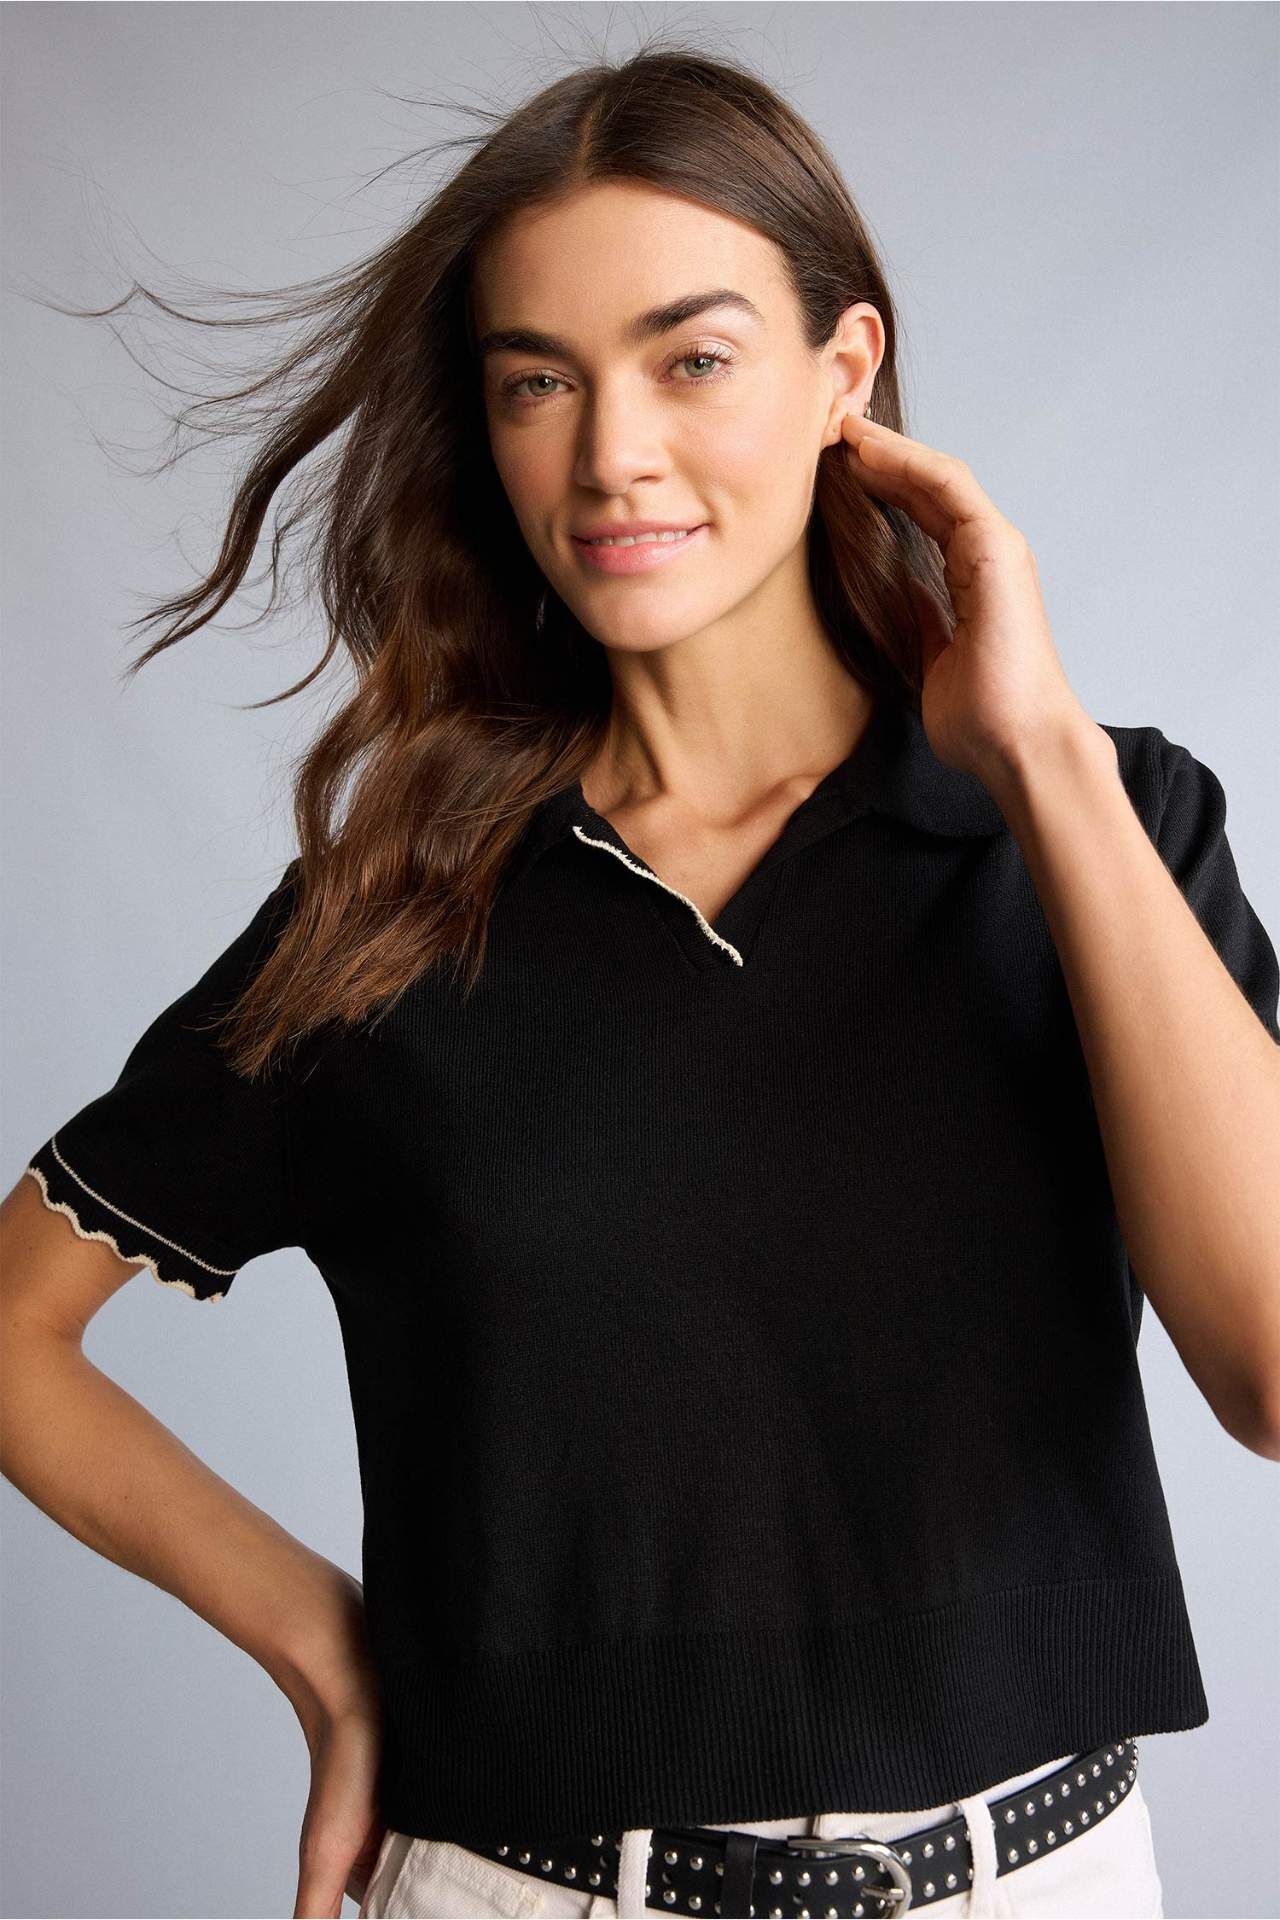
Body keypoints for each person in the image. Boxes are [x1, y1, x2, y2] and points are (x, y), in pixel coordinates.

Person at [3, 43, 1278, 1920]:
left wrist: (1040, 758)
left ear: (845, 372)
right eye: (540, 381)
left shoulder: (1103, 823)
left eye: (692, 359)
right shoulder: (398, 909)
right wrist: (325, 1650)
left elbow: (1271, 1371)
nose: (610, 454)